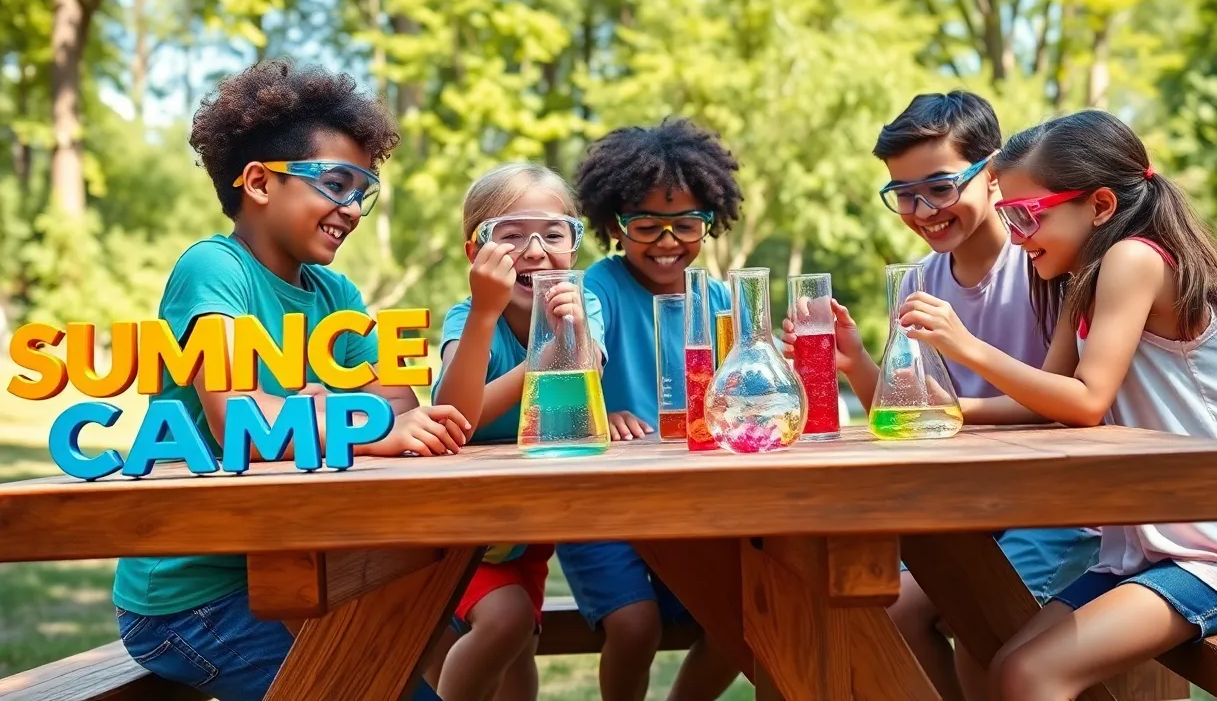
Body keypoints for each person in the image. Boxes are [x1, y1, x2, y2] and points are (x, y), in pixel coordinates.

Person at [897, 109, 1217, 700]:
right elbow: (1051, 400)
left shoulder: (1134, 259)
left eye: (1026, 215)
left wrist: (967, 347)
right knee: (1003, 656)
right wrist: (955, 408)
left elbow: (1087, 402)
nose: (1016, 236)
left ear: (1101, 205)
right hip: (1154, 547)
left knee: (1027, 673)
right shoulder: (1083, 280)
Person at [111, 59, 467, 701]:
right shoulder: (214, 270)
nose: (352, 208)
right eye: (337, 183)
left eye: (364, 190)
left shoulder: (336, 293)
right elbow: (240, 420)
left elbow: (398, 405)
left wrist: (320, 408)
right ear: (258, 182)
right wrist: (355, 417)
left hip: (308, 572)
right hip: (193, 597)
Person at [783, 90, 1100, 701]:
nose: (922, 209)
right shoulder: (924, 279)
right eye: (904, 194)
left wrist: (958, 364)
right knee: (888, 616)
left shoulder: (1044, 262)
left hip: (1060, 513)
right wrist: (855, 365)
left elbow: (1069, 404)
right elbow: (915, 413)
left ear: (995, 174)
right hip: (970, 511)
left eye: (940, 186)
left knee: (980, 630)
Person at [560, 117, 744, 701]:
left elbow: (736, 393)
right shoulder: (598, 287)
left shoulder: (717, 300)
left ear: (709, 223)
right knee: (634, 627)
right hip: (600, 503)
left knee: (739, 624)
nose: (668, 243)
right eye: (648, 226)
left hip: (686, 502)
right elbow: (583, 347)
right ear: (615, 225)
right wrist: (600, 409)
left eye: (686, 225)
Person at [426, 162, 607, 701]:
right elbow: (456, 416)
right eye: (509, 235)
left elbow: (584, 384)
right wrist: (486, 314)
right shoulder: (468, 317)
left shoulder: (583, 306)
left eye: (553, 234)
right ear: (475, 254)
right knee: (505, 623)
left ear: (574, 247)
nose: (533, 250)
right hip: (462, 532)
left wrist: (567, 338)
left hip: (525, 531)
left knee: (518, 661)